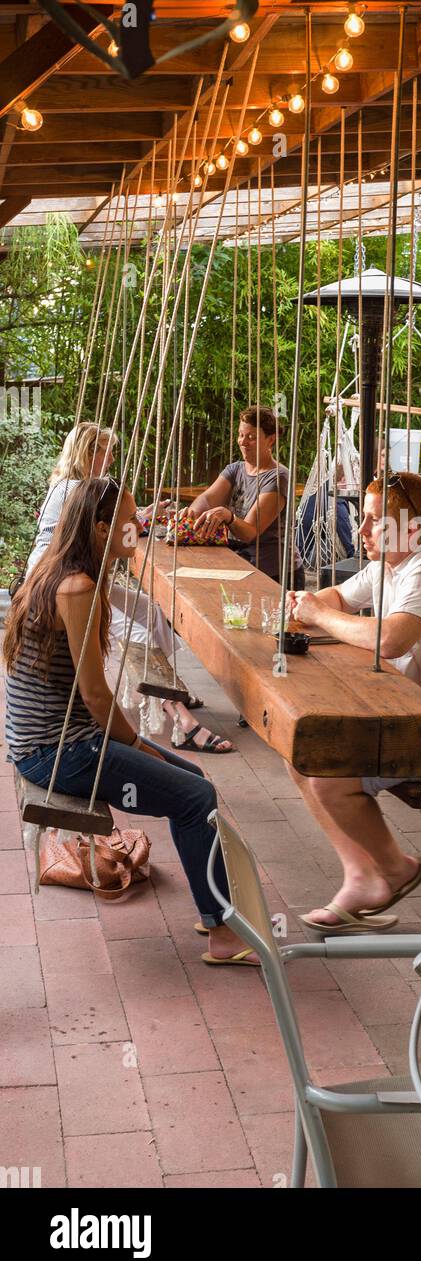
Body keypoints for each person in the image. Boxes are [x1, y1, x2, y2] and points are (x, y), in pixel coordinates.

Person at [4, 477, 255, 964]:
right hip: (57, 752)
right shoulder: (77, 588)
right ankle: (224, 931)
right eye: (129, 522)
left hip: (53, 741)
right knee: (195, 796)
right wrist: (136, 744)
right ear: (101, 529)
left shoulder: (65, 572)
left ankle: (214, 913)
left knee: (196, 781)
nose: (138, 527)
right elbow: (96, 694)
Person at [283, 471, 421, 933]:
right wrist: (304, 604)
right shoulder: (391, 563)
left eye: (372, 521)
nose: (361, 530)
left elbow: (392, 639)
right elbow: (341, 597)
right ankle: (361, 875)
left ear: (410, 528)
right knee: (301, 750)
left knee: (326, 772)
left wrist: (318, 615)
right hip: (416, 721)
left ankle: (395, 869)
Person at [28, 423, 232, 755]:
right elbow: (101, 529)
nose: (111, 458)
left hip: (83, 576)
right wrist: (138, 521)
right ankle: (180, 720)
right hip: (59, 583)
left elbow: (108, 523)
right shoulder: (74, 489)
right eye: (107, 451)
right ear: (89, 452)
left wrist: (142, 515)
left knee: (149, 611)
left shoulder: (81, 487)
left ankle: (171, 687)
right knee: (139, 634)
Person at [181, 405, 304, 586]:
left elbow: (250, 532)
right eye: (241, 435)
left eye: (251, 437)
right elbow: (207, 499)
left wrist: (228, 516)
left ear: (271, 440)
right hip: (242, 564)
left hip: (276, 574)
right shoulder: (235, 469)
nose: (243, 442)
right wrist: (191, 514)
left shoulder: (278, 477)